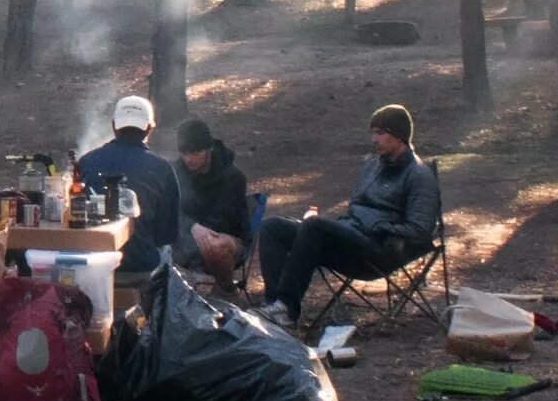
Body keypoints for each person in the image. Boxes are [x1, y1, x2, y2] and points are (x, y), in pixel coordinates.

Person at [257, 103, 442, 327]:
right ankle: (275, 304)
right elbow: (356, 206)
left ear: (400, 136)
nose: (374, 139)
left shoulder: (419, 175)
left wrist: (382, 228)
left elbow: (421, 230)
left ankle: (287, 308)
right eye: (372, 132)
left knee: (314, 226)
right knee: (272, 227)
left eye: (381, 133)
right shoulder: (373, 167)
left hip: (379, 250)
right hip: (352, 236)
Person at [75, 95, 179, 272]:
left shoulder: (86, 162)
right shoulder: (162, 169)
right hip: (140, 263)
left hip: (92, 260)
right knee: (167, 251)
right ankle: (156, 297)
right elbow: (166, 235)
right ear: (149, 128)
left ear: (114, 125)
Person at [170, 116, 253, 287]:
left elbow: (223, 220)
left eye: (195, 153)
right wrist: (192, 227)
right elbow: (170, 209)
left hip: (228, 238)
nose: (189, 159)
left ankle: (227, 290)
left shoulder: (232, 177)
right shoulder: (175, 173)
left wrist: (197, 234)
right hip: (187, 238)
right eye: (184, 153)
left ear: (209, 148)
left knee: (213, 244)